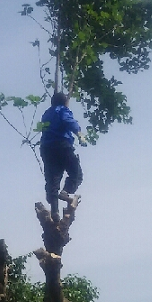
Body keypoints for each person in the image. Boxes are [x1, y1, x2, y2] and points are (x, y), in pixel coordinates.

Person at [40, 92, 86, 221]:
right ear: (65, 102)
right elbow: (68, 121)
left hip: (47, 148)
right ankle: (65, 192)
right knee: (76, 174)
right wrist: (79, 133)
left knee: (52, 179)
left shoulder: (46, 113)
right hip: (62, 145)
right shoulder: (62, 110)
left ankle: (54, 211)